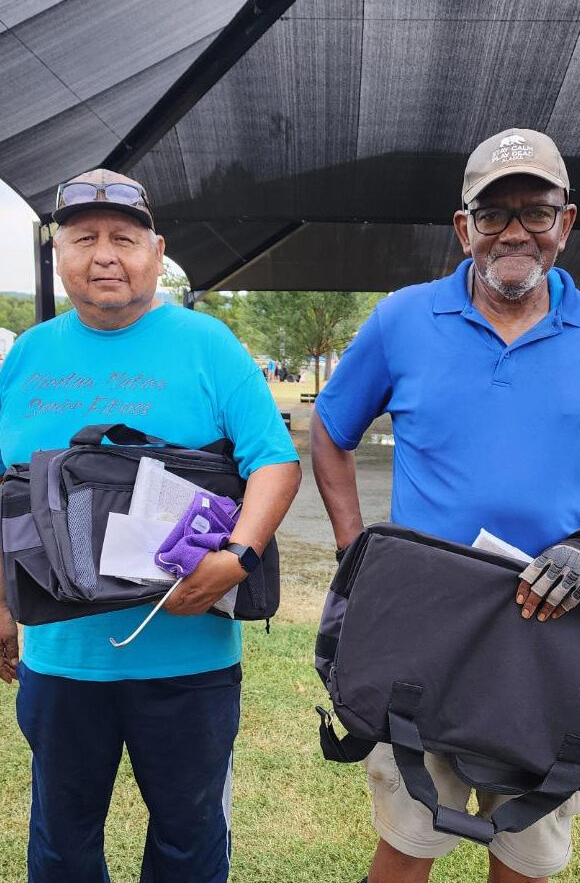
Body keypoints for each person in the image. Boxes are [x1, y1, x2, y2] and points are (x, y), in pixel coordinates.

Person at [0, 168, 301, 883]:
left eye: (124, 239)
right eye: (84, 239)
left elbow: (275, 461)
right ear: (57, 253)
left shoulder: (209, 344)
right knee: (61, 844)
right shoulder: (27, 355)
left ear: (157, 252)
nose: (105, 255)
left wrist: (238, 556)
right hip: (62, 663)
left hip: (188, 664)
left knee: (188, 841)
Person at [311, 128, 580, 883]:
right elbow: (330, 432)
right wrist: (354, 551)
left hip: (553, 626)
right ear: (464, 229)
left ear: (566, 223)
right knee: (406, 841)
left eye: (536, 211)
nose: (514, 232)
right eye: (492, 214)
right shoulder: (402, 320)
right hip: (426, 625)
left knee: (527, 854)